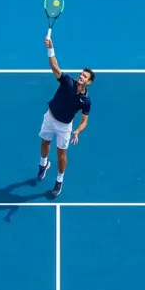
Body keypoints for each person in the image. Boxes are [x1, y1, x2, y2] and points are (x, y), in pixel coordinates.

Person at [36, 36, 93, 197]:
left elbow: (84, 121)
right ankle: (43, 165)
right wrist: (51, 48)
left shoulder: (86, 101)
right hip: (50, 117)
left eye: (85, 76)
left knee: (61, 154)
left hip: (64, 127)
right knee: (45, 142)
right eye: (81, 74)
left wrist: (77, 131)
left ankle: (59, 181)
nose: (81, 77)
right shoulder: (67, 81)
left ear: (89, 82)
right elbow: (54, 66)